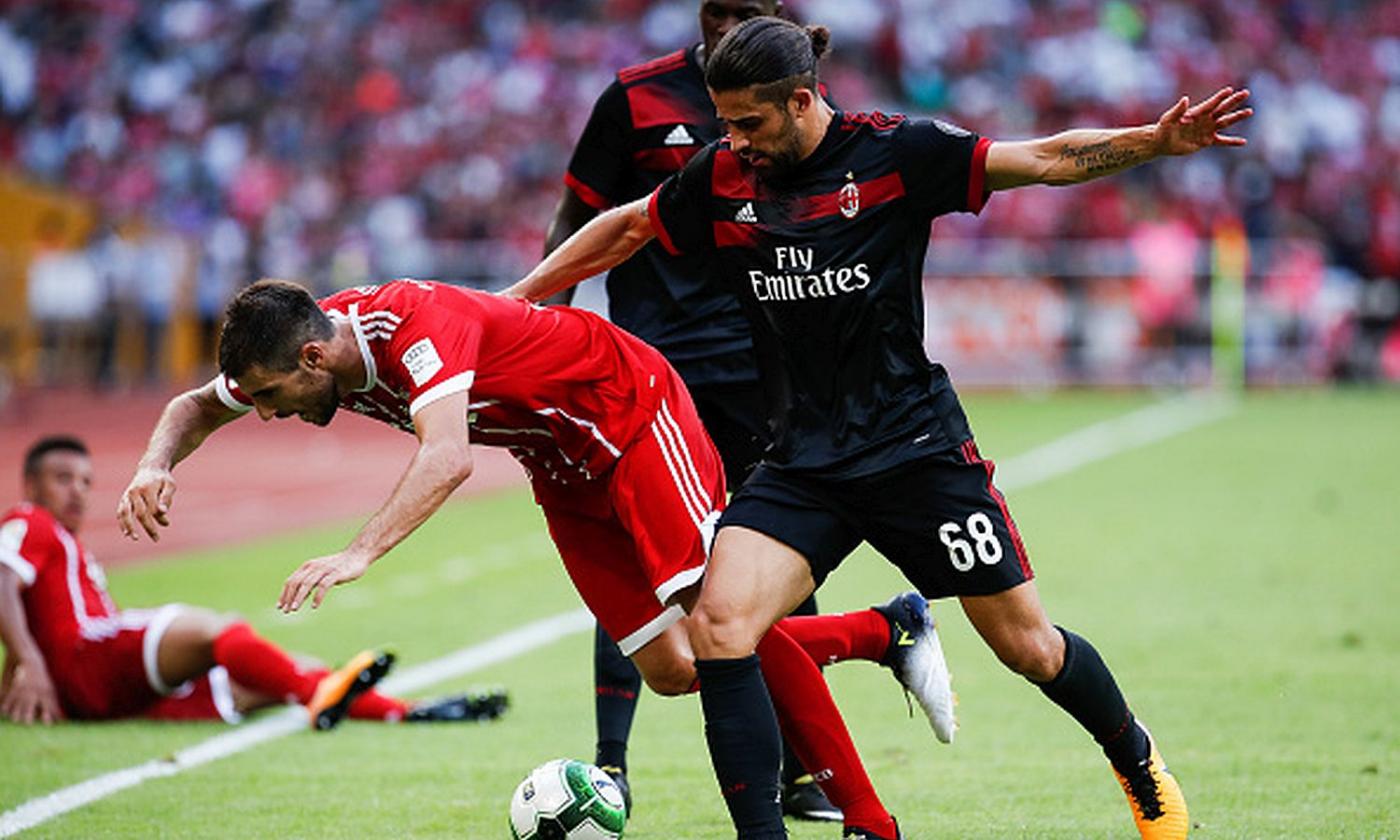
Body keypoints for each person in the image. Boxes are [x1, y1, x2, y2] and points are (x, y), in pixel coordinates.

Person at [505, 17, 1254, 839]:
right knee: (721, 630)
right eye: (723, 122)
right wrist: (521, 301)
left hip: (915, 451)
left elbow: (1039, 159)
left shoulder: (898, 153)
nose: (733, 141)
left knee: (1028, 648)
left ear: (802, 99)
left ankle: (1136, 758)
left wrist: (1152, 141)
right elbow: (630, 224)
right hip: (802, 462)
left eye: (749, 122)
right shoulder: (722, 176)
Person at [117, 278, 954, 839]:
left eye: (269, 399)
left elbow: (445, 457)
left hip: (630, 415)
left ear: (311, 359)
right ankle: (886, 632)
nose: (263, 414)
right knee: (670, 667)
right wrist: (156, 462)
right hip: (560, 469)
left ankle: (870, 821)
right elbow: (194, 405)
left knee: (722, 623)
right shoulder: (297, 346)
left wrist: (357, 552)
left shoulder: (413, 325)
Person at [545, 0, 868, 820]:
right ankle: (610, 764)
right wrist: (539, 322)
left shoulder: (799, 101)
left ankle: (804, 770)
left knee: (779, 557)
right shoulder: (634, 98)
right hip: (650, 371)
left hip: (762, 365)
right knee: (641, 561)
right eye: (718, 11)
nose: (730, 26)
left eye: (747, 13)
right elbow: (578, 217)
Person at [0, 436, 507, 728]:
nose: (76, 492)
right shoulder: (30, 520)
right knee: (218, 633)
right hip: (88, 661)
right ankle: (335, 700)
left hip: (101, 692)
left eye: (85, 482)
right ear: (31, 484)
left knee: (277, 676)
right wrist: (31, 665)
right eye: (62, 479)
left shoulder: (61, 542)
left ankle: (410, 712)